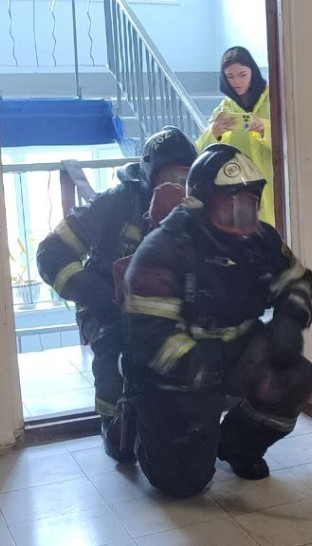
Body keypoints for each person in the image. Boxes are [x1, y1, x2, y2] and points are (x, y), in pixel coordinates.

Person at [120, 143, 312, 497]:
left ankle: (238, 447)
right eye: (232, 206)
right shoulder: (164, 249)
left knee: (294, 377)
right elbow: (150, 335)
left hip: (236, 348)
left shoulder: (261, 240)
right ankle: (141, 422)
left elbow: (297, 279)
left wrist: (290, 317)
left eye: (250, 204)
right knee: (183, 484)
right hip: (174, 369)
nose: (243, 216)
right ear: (200, 204)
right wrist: (199, 371)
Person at [36, 126, 197, 461]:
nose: (179, 186)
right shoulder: (115, 203)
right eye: (171, 177)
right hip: (110, 307)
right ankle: (114, 419)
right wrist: (103, 300)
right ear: (150, 175)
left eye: (186, 177)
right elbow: (51, 253)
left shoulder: (199, 208)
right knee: (117, 347)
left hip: (171, 308)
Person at [196, 46, 276, 226]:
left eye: (242, 74)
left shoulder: (274, 101)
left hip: (275, 190)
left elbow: (292, 142)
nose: (237, 82)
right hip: (239, 193)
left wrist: (263, 129)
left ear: (253, 72)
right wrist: (214, 133)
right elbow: (203, 152)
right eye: (230, 76)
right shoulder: (223, 111)